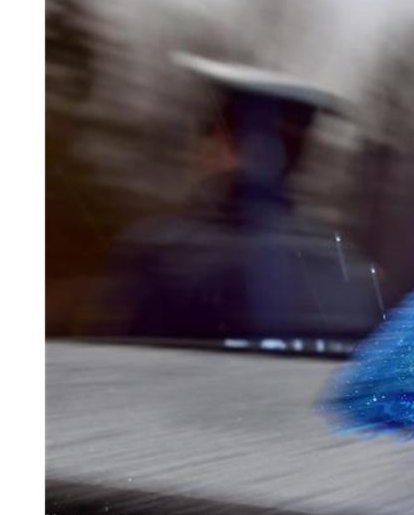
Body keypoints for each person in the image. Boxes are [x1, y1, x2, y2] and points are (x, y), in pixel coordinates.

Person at [96, 53, 381, 342]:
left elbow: (118, 376)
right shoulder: (345, 264)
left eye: (208, 131)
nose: (198, 147)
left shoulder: (166, 253)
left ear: (228, 142)